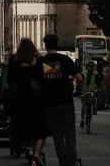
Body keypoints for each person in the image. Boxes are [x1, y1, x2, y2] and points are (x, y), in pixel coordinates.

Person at [34, 34, 83, 166]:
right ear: (57, 44)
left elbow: (33, 85)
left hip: (49, 103)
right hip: (65, 101)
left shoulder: (40, 63)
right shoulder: (65, 60)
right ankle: (71, 161)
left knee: (57, 135)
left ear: (45, 45)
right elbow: (79, 78)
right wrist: (78, 90)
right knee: (70, 134)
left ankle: (62, 161)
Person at [11, 38, 48, 166]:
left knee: (25, 128)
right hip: (36, 98)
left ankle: (31, 150)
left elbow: (13, 83)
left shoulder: (15, 61)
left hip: (22, 98)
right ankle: (37, 152)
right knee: (40, 127)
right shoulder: (39, 61)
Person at [79, 60, 100, 129]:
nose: (90, 68)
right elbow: (79, 83)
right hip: (84, 92)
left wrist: (101, 88)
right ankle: (82, 120)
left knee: (93, 99)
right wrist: (79, 90)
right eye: (89, 66)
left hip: (92, 91)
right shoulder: (83, 74)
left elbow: (99, 83)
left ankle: (93, 107)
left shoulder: (96, 74)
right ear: (87, 67)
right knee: (84, 105)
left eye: (92, 66)